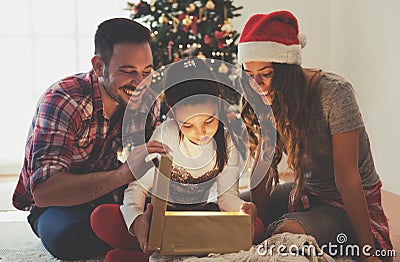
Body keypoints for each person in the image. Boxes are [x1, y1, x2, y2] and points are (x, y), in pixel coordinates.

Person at [237, 11, 393, 261]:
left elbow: (347, 177)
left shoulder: (335, 94)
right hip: (306, 192)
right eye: (249, 74)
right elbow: (263, 167)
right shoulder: (266, 97)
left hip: (347, 201)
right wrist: (255, 219)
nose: (257, 84)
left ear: (286, 70)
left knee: (284, 233)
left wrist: (369, 252)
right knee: (234, 208)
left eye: (266, 74)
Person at [12, 18, 170, 260]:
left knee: (165, 215)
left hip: (109, 194)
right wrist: (122, 175)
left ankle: (138, 238)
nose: (140, 83)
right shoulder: (64, 100)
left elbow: (145, 172)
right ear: (98, 66)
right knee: (69, 237)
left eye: (146, 72)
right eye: (127, 72)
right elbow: (45, 192)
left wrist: (143, 210)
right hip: (57, 204)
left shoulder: (146, 103)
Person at [90, 59, 263, 262]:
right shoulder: (164, 136)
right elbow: (137, 189)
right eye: (188, 125)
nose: (201, 133)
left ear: (218, 103)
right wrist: (137, 221)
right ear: (172, 111)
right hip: (162, 218)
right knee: (101, 217)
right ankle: (164, 248)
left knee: (257, 227)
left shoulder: (226, 141)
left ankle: (145, 254)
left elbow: (226, 198)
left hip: (201, 217)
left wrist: (242, 210)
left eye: (209, 121)